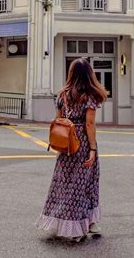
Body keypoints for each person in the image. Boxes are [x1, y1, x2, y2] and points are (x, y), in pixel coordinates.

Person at [37, 57, 108, 242]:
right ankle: (80, 228)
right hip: (83, 143)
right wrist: (92, 148)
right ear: (89, 75)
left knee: (66, 185)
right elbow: (90, 124)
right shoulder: (90, 97)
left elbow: (59, 119)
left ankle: (83, 224)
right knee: (86, 184)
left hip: (67, 144)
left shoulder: (62, 95)